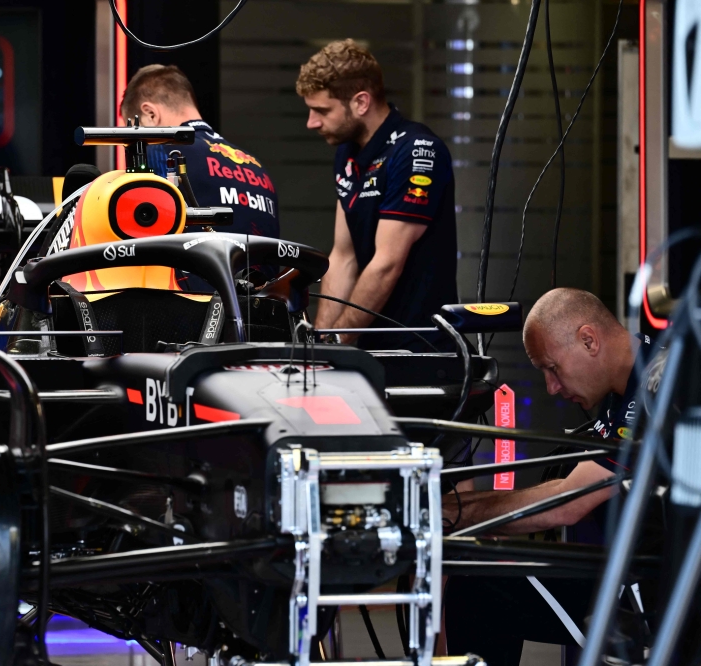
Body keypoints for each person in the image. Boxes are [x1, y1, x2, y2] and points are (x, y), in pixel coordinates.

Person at [443, 288, 663, 666]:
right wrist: (456, 511)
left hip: (658, 599)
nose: (551, 387)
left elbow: (567, 502)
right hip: (635, 573)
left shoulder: (658, 384)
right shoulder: (631, 373)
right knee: (483, 569)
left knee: (479, 588)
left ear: (588, 340)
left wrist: (452, 516)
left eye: (552, 368)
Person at [296, 39, 458, 351]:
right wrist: (319, 348)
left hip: (418, 348)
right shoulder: (347, 153)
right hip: (368, 348)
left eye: (321, 110)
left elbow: (386, 263)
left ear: (361, 102)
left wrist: (338, 339)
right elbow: (344, 256)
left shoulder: (416, 150)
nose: (312, 122)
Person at [120, 64, 279, 242]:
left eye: (137, 130)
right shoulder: (256, 166)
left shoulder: (162, 151)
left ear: (151, 114)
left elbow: (139, 238)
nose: (139, 144)